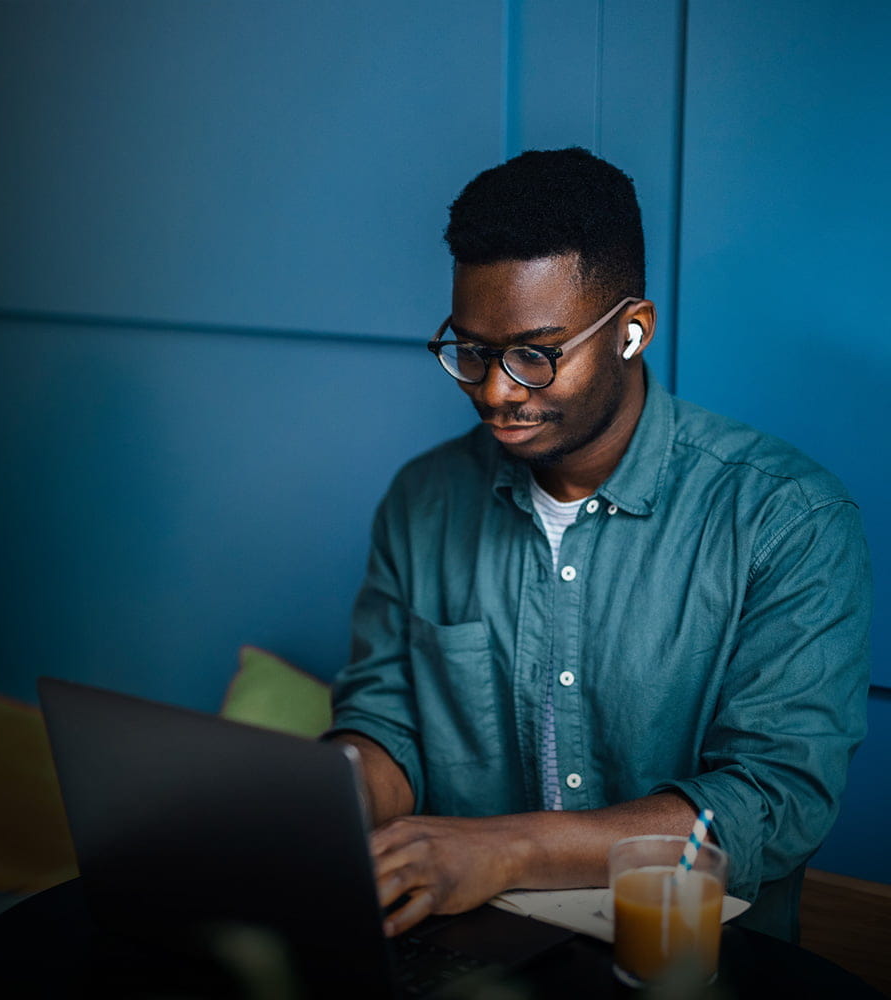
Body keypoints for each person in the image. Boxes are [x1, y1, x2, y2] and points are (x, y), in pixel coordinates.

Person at [327, 147, 871, 944]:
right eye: (471, 350)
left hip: (690, 963)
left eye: (535, 354)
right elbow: (390, 723)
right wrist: (322, 796)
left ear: (632, 331)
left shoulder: (788, 519)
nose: (495, 390)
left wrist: (507, 850)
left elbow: (773, 800)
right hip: (470, 951)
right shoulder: (424, 500)